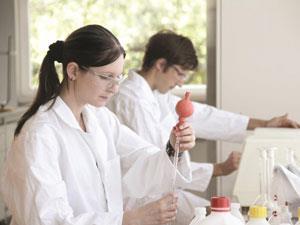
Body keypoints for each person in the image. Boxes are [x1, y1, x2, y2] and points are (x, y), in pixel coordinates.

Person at [0, 25, 197, 225]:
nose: (115, 88)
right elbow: (48, 220)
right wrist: (129, 219)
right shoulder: (40, 135)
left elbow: (141, 159)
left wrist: (174, 147)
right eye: (106, 77)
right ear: (73, 71)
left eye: (118, 77)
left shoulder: (100, 118)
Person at [107, 30, 300, 224]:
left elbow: (205, 116)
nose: (181, 82)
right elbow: (156, 162)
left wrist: (264, 124)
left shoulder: (155, 96)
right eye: (180, 74)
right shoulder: (132, 100)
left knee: (224, 214)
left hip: (162, 192)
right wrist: (218, 169)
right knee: (218, 215)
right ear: (160, 64)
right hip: (141, 199)